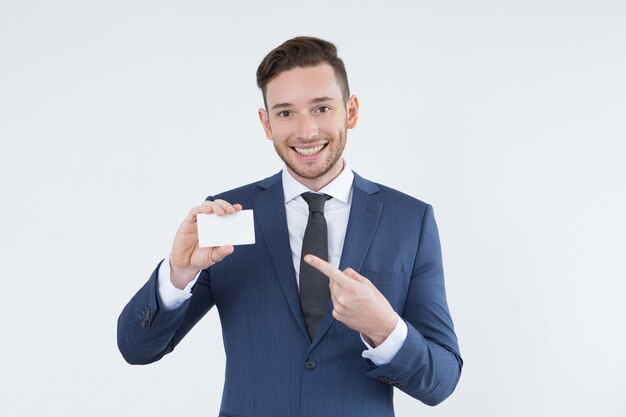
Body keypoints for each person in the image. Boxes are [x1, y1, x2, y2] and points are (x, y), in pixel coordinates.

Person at [117, 36, 462, 417]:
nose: (306, 130)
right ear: (266, 123)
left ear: (351, 111)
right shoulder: (227, 216)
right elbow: (137, 348)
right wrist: (178, 274)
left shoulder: (409, 221)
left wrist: (385, 328)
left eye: (321, 108)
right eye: (285, 113)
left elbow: (441, 381)